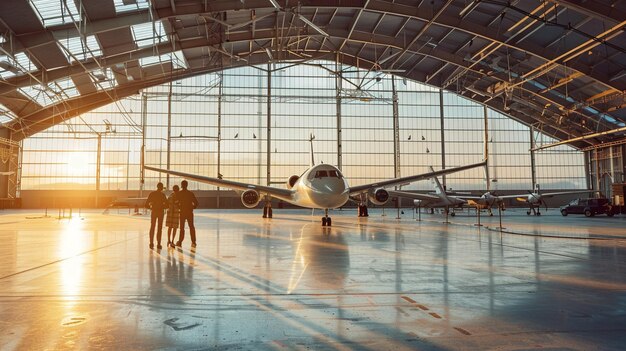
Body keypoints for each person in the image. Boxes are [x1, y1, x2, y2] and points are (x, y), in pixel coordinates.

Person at [145, 182, 168, 249]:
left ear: (157, 186)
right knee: (159, 228)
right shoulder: (162, 195)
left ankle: (151, 243)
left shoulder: (152, 194)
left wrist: (152, 207)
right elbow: (167, 205)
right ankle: (158, 244)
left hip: (154, 212)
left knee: (152, 227)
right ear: (161, 188)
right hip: (160, 212)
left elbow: (146, 205)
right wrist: (162, 206)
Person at [176, 180, 199, 248]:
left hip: (182, 212)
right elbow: (196, 203)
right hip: (189, 212)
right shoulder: (190, 193)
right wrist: (192, 207)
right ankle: (193, 242)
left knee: (182, 228)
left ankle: (180, 241)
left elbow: (176, 202)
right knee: (191, 227)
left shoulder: (179, 194)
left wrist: (179, 207)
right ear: (187, 185)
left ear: (181, 185)